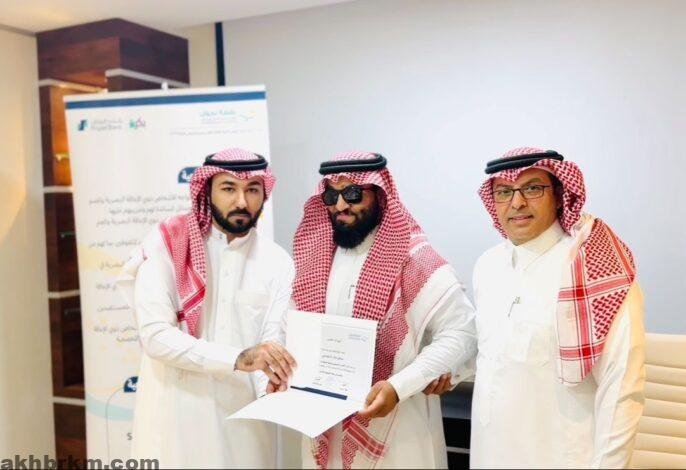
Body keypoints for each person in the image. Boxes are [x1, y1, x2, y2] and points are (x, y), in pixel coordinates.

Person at [291, 151, 477, 469]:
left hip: (399, 431)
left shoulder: (416, 259)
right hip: (326, 427)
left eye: (353, 193)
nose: (341, 205)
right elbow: (295, 329)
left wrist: (399, 386)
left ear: (379, 193)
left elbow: (462, 333)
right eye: (332, 196)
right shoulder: (313, 258)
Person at [119, 148, 296, 468]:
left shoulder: (277, 262)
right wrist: (239, 358)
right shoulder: (167, 247)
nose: (242, 201)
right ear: (207, 190)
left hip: (245, 428)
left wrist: (271, 384)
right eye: (229, 188)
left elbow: (273, 341)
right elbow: (155, 336)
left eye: (252, 190)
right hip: (176, 421)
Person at [470, 147, 646, 468]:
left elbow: (622, 388)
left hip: (562, 457)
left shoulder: (592, 268)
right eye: (504, 191)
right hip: (490, 453)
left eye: (533, 188)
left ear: (560, 194)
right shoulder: (487, 266)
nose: (517, 202)